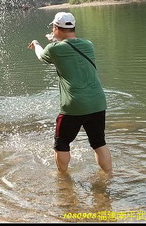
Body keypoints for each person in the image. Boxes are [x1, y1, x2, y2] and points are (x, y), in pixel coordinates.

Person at [28, 12, 112, 174]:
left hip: (73, 105)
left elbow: (41, 56)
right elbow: (69, 48)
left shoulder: (54, 49)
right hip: (97, 102)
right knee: (99, 143)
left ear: (56, 28)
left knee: (62, 144)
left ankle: (63, 180)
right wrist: (55, 40)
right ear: (73, 27)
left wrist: (36, 43)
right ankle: (109, 176)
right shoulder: (88, 44)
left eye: (53, 28)